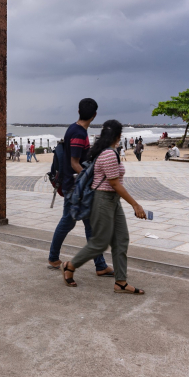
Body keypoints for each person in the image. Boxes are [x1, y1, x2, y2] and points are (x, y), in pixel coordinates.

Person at [60, 119, 146, 294]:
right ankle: (70, 266)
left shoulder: (108, 151)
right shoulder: (108, 154)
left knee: (121, 239)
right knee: (100, 243)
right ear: (118, 135)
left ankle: (120, 282)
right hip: (103, 200)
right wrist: (135, 205)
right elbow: (114, 183)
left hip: (113, 201)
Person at [47, 98, 114, 277]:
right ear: (94, 115)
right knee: (68, 223)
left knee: (89, 225)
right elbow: (75, 163)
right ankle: (54, 257)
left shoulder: (74, 128)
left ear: (78, 111)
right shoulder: (78, 133)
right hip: (75, 187)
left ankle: (100, 265)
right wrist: (91, 181)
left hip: (75, 185)